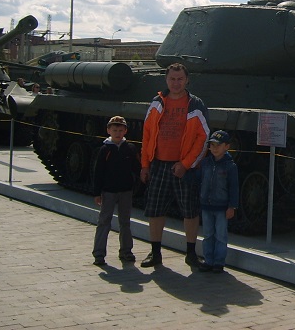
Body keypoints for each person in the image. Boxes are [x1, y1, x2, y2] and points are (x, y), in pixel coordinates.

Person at [139, 62, 209, 267]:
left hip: (183, 167)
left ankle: (191, 253)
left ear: (187, 80)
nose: (176, 83)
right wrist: (145, 165)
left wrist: (186, 164)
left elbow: (203, 137)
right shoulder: (157, 103)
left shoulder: (195, 104)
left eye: (180, 79)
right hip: (159, 163)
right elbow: (147, 134)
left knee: (190, 211)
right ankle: (155, 253)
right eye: (172, 79)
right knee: (156, 209)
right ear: (166, 79)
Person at [91, 115, 141, 266]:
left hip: (126, 191)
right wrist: (97, 192)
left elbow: (136, 167)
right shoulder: (105, 150)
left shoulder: (130, 148)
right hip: (109, 191)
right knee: (104, 221)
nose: (117, 133)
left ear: (125, 131)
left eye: (120, 130)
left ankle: (126, 251)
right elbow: (98, 172)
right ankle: (99, 253)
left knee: (125, 222)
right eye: (115, 130)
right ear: (109, 131)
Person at [198, 130, 239, 273]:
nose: (215, 148)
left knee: (221, 235)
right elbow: (200, 181)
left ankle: (219, 262)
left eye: (218, 145)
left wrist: (232, 206)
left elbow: (234, 187)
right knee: (207, 234)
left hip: (222, 207)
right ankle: (208, 260)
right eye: (212, 145)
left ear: (227, 146)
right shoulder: (205, 163)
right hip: (206, 205)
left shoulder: (230, 166)